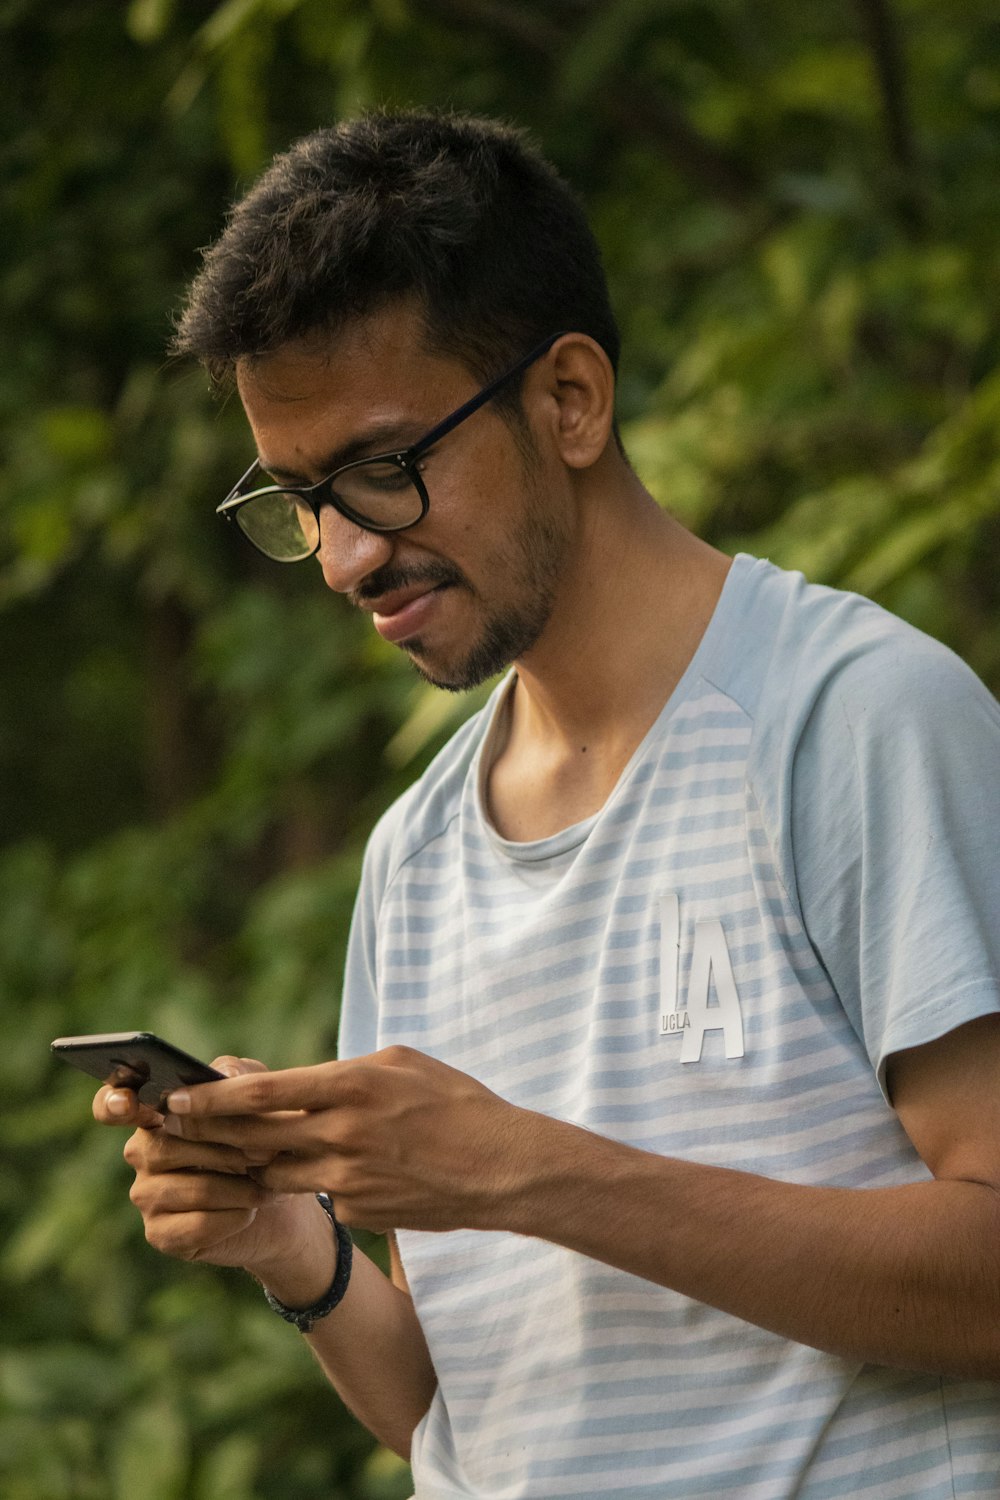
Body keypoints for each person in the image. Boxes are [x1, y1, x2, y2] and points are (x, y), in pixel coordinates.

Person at [94, 111, 1000, 1498]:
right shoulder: (417, 854)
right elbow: (457, 1411)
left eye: (384, 469)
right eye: (301, 500)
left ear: (569, 400)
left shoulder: (857, 720)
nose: (344, 558)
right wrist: (295, 1246)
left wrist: (522, 1169)